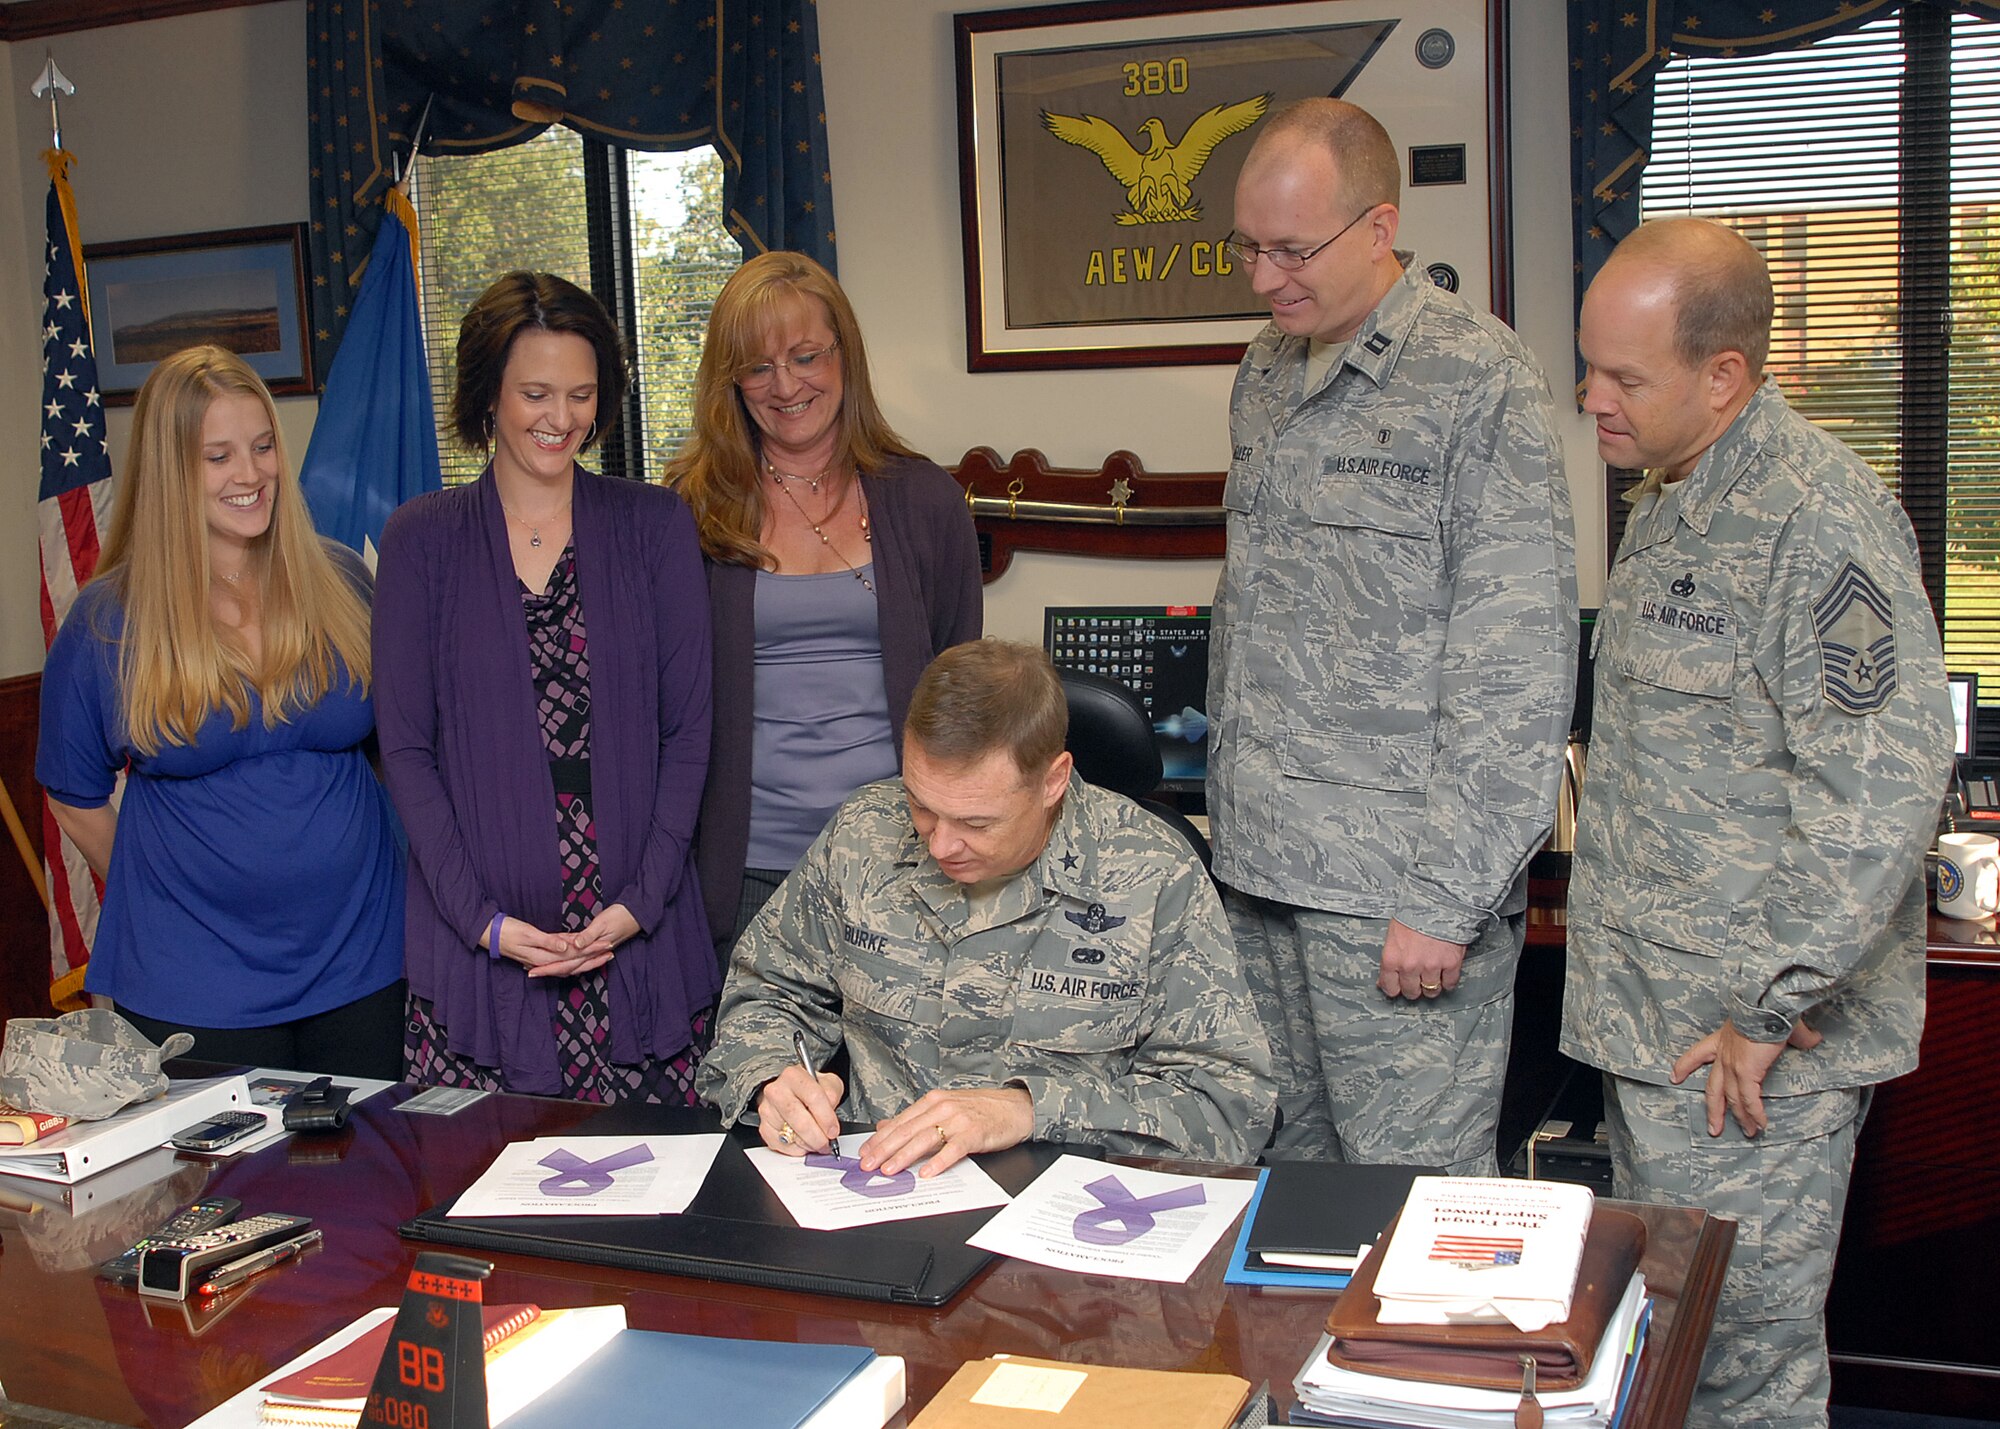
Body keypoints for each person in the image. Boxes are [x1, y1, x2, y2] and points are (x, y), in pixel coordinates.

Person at [1565, 218, 1953, 1429]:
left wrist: (1767, 1004)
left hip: (1744, 1050)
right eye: (1588, 365)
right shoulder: (1674, 496)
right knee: (1661, 1348)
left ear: (1721, 373)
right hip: (1657, 1029)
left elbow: (1880, 785)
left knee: (1736, 1366)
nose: (1589, 397)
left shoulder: (1813, 519)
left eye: (1622, 376)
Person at [1208, 98, 1576, 1170]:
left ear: (1378, 227)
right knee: (1278, 1209)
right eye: (1247, 248)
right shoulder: (1264, 372)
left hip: (1393, 906)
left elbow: (1514, 671)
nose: (1264, 277)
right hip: (1260, 879)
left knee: (1408, 1217)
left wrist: (1445, 900)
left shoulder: (1477, 381)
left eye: (1290, 249)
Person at [696, 640, 1274, 1173]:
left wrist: (1028, 1110)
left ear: (1053, 781)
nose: (940, 844)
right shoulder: (863, 834)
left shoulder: (1152, 872)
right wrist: (772, 1075)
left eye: (976, 822)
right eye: (921, 805)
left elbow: (1226, 1107)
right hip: (876, 1197)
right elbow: (766, 992)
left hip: (1071, 1226)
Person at [373, 271, 718, 1102]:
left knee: (658, 1202)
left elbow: (691, 730)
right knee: (485, 1203)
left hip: (638, 934)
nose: (559, 419)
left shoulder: (655, 525)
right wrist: (482, 922)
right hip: (478, 945)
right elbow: (407, 751)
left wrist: (642, 902)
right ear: (489, 393)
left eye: (580, 394)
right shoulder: (422, 540)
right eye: (535, 392)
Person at [36, 345, 404, 1078]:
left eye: (263, 446)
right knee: (221, 1193)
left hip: (364, 961)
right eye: (219, 456)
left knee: (372, 1180)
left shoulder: (340, 578)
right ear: (171, 471)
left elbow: (401, 751)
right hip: (191, 984)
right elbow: (73, 796)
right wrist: (175, 890)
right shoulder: (108, 621)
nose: (251, 473)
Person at [668, 251, 982, 972]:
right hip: (747, 875)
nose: (786, 386)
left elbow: (961, 697)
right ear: (730, 382)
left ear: (845, 352)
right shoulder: (690, 509)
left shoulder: (926, 500)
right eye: (756, 367)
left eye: (806, 355)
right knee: (763, 1084)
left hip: (904, 867)